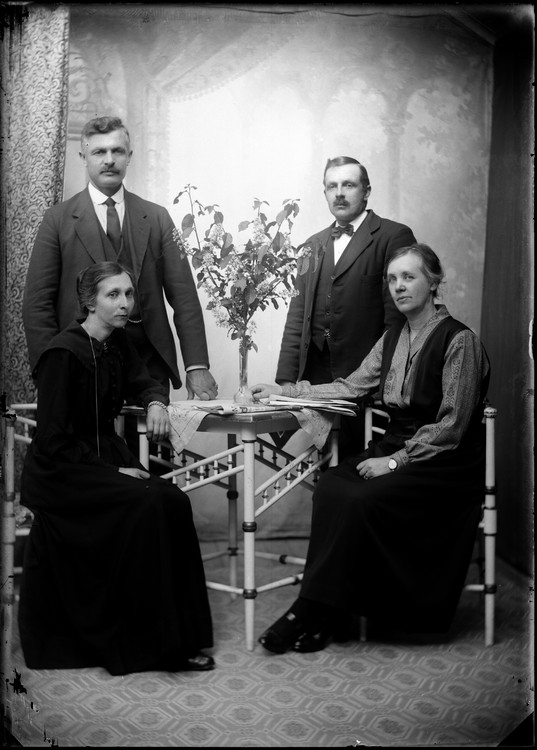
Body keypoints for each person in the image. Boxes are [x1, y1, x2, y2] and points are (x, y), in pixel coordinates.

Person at [251, 243, 490, 654]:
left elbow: (452, 425)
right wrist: (286, 391)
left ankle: (310, 609)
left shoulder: (459, 340)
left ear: (434, 283)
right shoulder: (393, 337)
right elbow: (351, 386)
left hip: (444, 462)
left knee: (360, 498)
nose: (399, 286)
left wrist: (395, 462)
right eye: (393, 279)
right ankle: (331, 611)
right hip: (394, 444)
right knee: (331, 486)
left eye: (409, 277)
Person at [18, 262, 215, 675]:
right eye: (113, 295)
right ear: (89, 302)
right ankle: (153, 646)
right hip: (62, 471)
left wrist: (156, 402)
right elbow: (52, 440)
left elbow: (144, 382)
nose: (125, 303)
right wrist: (113, 473)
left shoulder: (118, 342)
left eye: (128, 294)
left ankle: (182, 636)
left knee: (173, 500)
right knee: (147, 503)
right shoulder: (61, 353)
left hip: (105, 458)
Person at [22, 115, 217, 401]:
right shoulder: (58, 220)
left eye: (118, 151)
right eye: (99, 152)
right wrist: (51, 371)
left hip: (148, 369)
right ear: (83, 157)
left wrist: (196, 365)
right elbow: (37, 304)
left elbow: (184, 297)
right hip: (80, 366)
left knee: (152, 431)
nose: (109, 160)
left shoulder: (157, 218)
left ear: (129, 156)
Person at [276, 156, 416, 456]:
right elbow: (297, 316)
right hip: (315, 376)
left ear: (366, 191)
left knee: (360, 460)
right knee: (324, 461)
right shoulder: (312, 245)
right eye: (332, 186)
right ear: (325, 192)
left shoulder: (393, 236)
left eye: (348, 185)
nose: (339, 193)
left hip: (366, 380)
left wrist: (384, 380)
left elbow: (398, 320)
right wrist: (286, 382)